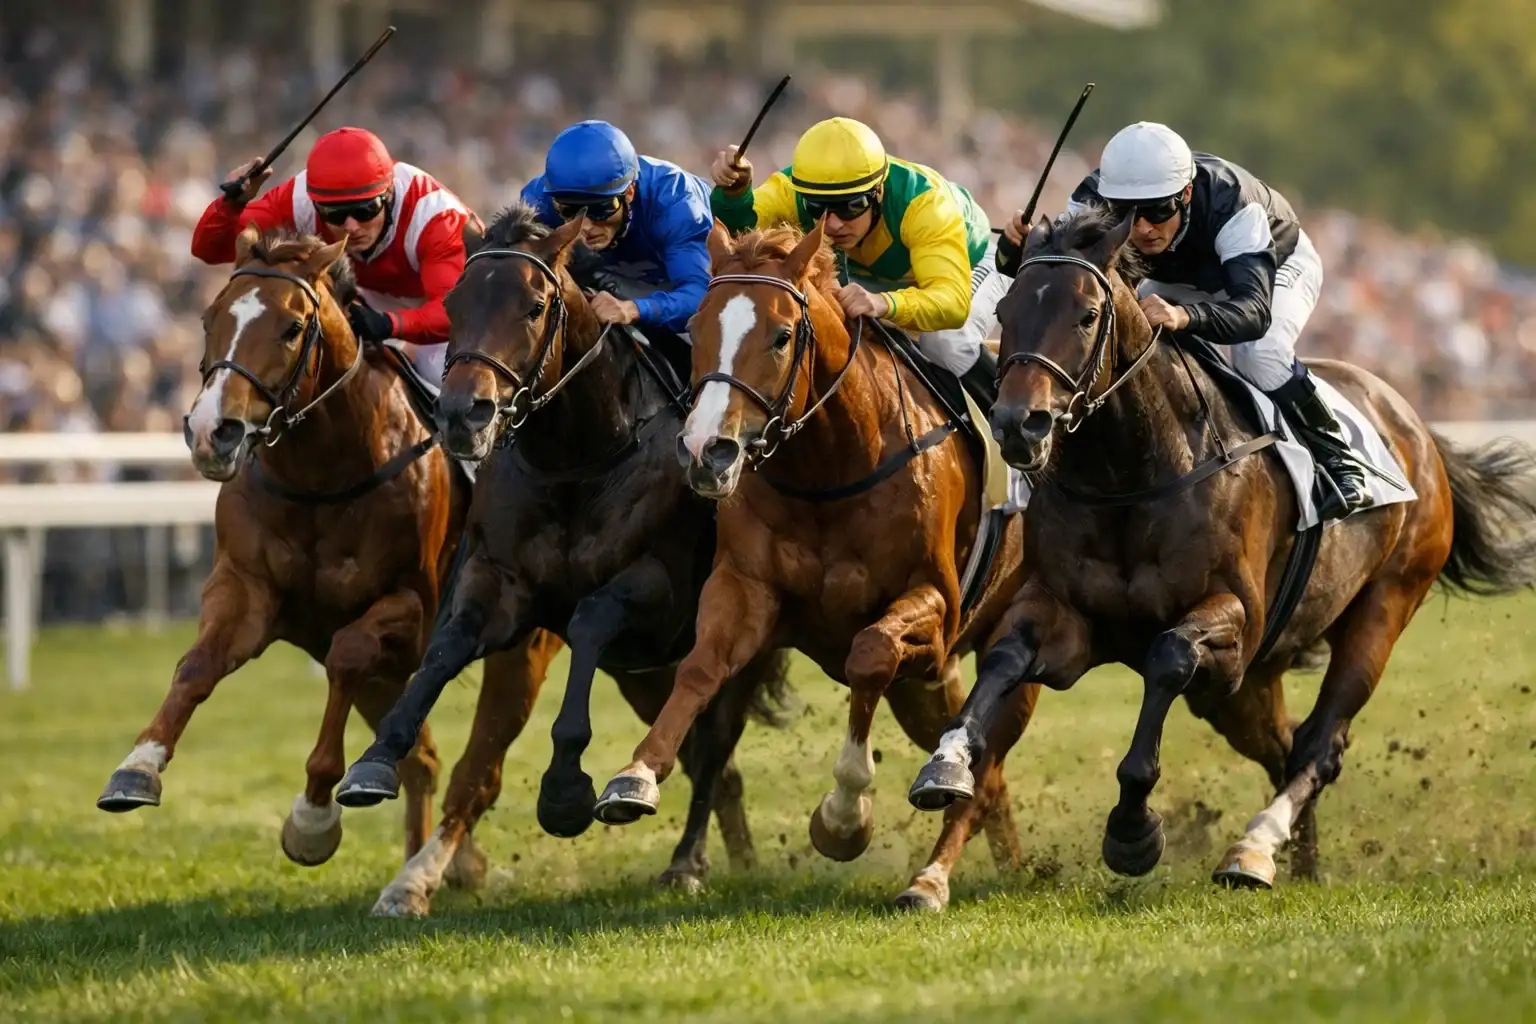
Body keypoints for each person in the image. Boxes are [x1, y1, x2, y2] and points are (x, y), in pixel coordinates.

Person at [1000, 121, 1367, 518]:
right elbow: (1051, 284)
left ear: (1187, 193)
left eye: (1159, 210)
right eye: (1127, 214)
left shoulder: (1233, 205)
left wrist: (1184, 315)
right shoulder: (1094, 199)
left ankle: (1339, 459)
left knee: (1260, 356)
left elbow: (1254, 312)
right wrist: (1011, 248)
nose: (1142, 227)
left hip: (1268, 269)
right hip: (1176, 276)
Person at [710, 116, 1005, 409]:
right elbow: (740, 240)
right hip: (873, 278)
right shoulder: (790, 190)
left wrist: (883, 303)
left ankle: (1013, 426)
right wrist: (734, 196)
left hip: (969, 265)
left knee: (945, 342)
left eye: (852, 206)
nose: (834, 224)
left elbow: (951, 304)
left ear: (878, 192)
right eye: (818, 207)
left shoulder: (926, 205)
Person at [191, 126, 480, 381]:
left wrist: (389, 324)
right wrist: (230, 205)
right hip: (366, 298)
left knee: (441, 374)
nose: (351, 227)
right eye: (335, 214)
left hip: (458, 311)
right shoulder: (298, 199)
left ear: (389, 194)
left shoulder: (435, 216)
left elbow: (451, 314)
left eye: (366, 210)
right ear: (315, 201)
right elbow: (210, 250)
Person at [519, 119, 713, 372]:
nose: (586, 226)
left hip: (680, 282)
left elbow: (702, 298)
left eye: (601, 209)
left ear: (630, 192)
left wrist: (633, 308)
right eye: (569, 211)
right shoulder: (539, 201)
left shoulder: (676, 204)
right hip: (613, 276)